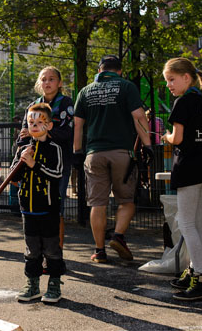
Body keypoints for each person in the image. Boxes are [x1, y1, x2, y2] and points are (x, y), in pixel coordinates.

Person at [73, 55, 153, 263]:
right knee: (126, 201)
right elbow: (139, 117)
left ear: (100, 70)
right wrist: (147, 145)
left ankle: (99, 251)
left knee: (97, 204)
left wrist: (77, 151)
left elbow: (78, 125)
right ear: (119, 70)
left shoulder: (85, 91)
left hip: (94, 154)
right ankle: (118, 235)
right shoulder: (126, 87)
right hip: (122, 153)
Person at [160, 57, 202, 301]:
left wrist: (166, 137)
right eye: (167, 81)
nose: (168, 85)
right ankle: (196, 270)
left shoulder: (183, 102)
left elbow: (177, 138)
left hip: (188, 167)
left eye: (171, 79)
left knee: (187, 224)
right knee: (195, 223)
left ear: (187, 77)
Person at [11, 103, 65, 303]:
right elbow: (13, 178)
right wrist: (21, 163)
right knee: (31, 249)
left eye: (39, 122)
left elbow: (57, 173)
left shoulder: (54, 149)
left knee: (51, 248)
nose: (33, 125)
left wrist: (35, 165)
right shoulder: (23, 149)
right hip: (28, 209)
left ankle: (54, 283)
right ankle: (32, 284)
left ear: (49, 126)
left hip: (48, 209)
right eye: (30, 122)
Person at [18, 66, 74, 249]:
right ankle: (38, 253)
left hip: (58, 162)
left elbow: (68, 132)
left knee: (56, 208)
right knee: (35, 209)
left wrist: (44, 132)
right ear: (39, 83)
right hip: (32, 165)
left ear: (59, 83)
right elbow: (23, 135)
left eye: (51, 79)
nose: (47, 83)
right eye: (43, 79)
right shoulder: (33, 106)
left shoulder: (66, 103)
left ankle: (56, 253)